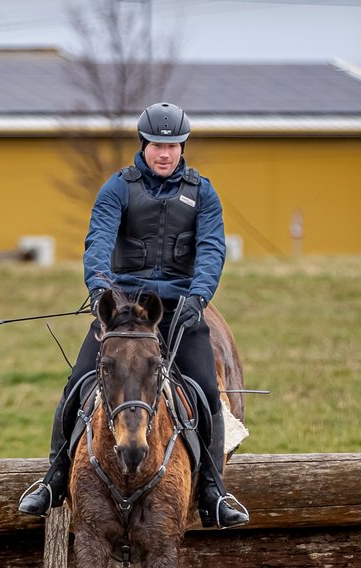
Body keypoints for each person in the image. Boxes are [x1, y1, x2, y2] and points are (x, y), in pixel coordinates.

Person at [18, 101, 249, 528]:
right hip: (125, 310)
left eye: (174, 146)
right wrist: (101, 291)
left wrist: (199, 298)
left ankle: (214, 492)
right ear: (144, 145)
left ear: (183, 147)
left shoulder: (203, 193)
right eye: (158, 145)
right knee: (79, 382)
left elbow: (211, 249)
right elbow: (98, 241)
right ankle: (52, 478)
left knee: (204, 391)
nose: (165, 153)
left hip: (180, 307)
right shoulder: (117, 188)